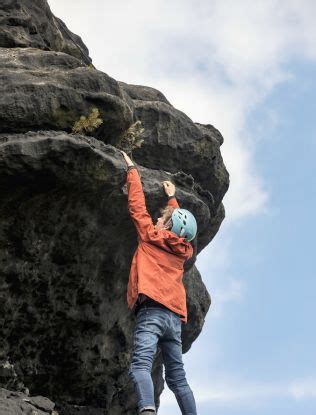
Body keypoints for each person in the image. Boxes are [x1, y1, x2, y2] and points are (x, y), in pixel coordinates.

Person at [121, 150, 198, 415]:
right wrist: (172, 199)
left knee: (141, 365)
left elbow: (137, 206)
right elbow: (179, 229)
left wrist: (132, 171)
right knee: (178, 378)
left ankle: (147, 411)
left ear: (165, 228)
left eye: (161, 219)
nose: (157, 219)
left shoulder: (150, 236)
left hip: (152, 310)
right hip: (174, 319)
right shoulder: (182, 251)